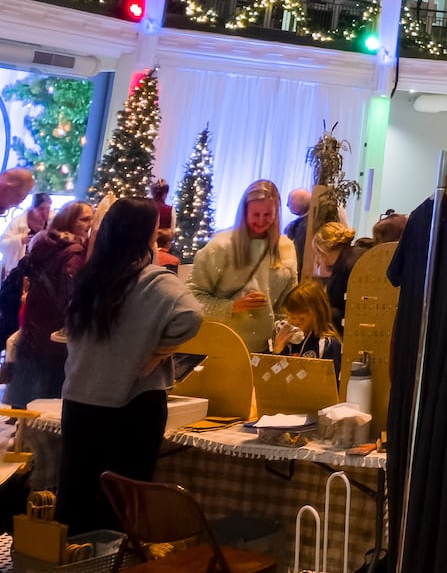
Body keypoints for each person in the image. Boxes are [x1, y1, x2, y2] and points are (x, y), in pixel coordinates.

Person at [57, 199, 202, 531]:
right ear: (144, 237)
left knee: (75, 495)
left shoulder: (91, 277)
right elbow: (192, 315)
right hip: (132, 405)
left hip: (80, 401)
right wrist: (158, 351)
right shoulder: (153, 280)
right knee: (121, 504)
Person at [190, 180, 297, 353]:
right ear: (244, 212)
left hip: (264, 351)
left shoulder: (286, 249)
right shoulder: (220, 246)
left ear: (277, 213)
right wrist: (233, 307)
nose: (261, 221)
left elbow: (287, 305)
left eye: (268, 214)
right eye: (256, 214)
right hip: (220, 348)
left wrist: (284, 336)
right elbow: (192, 297)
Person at [5, 200, 92, 406]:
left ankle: (21, 425)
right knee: (50, 398)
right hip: (57, 331)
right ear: (70, 221)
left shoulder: (43, 242)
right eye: (85, 219)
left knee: (27, 391)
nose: (90, 224)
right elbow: (72, 294)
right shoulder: (75, 253)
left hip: (35, 325)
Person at [271, 279, 343, 368]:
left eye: (301, 319)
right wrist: (278, 350)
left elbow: (330, 380)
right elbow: (274, 375)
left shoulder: (328, 344)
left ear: (316, 315)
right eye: (290, 317)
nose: (293, 322)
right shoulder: (288, 341)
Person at [283, 185, 314, 274]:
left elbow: (296, 256)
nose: (287, 204)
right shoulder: (313, 222)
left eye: (289, 201)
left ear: (296, 203)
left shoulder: (297, 227)